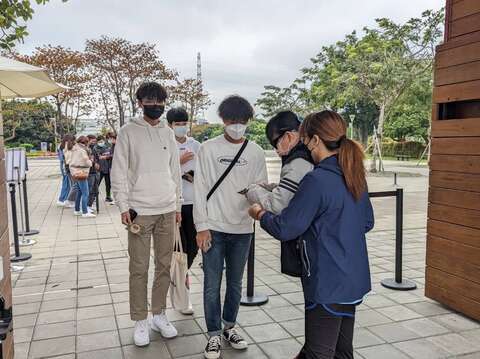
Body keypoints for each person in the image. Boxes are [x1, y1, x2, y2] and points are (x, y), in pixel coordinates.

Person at [249, 110, 374, 359]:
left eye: (305, 140)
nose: (305, 146)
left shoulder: (316, 180)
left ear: (315, 140)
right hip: (353, 278)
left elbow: (286, 227)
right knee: (341, 351)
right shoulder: (353, 174)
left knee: (318, 353)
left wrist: (260, 214)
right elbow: (366, 222)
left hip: (327, 280)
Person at [193, 95, 268, 359]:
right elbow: (200, 189)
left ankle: (229, 327)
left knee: (235, 283)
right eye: (232, 120)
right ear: (223, 120)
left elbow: (260, 188)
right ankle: (213, 335)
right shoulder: (208, 149)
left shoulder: (256, 151)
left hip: (243, 228)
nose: (237, 125)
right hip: (213, 227)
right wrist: (201, 227)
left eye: (242, 121)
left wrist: (259, 200)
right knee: (212, 284)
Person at [111, 81, 182, 347]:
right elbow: (118, 170)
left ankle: (159, 315)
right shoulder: (128, 131)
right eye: (150, 101)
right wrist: (122, 205)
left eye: (160, 101)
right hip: (139, 211)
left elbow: (174, 170)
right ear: (140, 103)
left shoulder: (167, 132)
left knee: (164, 266)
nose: (156, 106)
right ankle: (140, 320)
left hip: (166, 209)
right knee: (138, 268)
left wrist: (177, 205)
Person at [167, 107, 201, 315]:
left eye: (184, 123)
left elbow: (205, 173)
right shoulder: (165, 146)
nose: (181, 127)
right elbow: (160, 174)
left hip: (195, 203)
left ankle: (178, 280)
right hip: (174, 205)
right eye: (177, 124)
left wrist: (193, 176)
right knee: (179, 250)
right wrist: (178, 165)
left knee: (193, 248)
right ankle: (182, 296)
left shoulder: (196, 145)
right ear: (170, 125)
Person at [245, 111, 314, 214]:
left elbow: (277, 205)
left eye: (275, 142)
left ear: (289, 136)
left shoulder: (298, 162)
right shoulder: (307, 154)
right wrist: (275, 187)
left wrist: (252, 191)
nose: (276, 149)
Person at [70, 136, 96, 218]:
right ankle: (85, 212)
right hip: (81, 172)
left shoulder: (75, 148)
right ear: (85, 142)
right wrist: (91, 161)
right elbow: (86, 162)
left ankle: (77, 210)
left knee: (79, 192)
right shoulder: (82, 150)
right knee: (85, 193)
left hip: (75, 172)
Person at [57, 134, 74, 206]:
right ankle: (62, 199)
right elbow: (62, 158)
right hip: (65, 166)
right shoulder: (64, 146)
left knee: (67, 183)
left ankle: (64, 199)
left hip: (64, 166)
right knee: (66, 184)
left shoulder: (61, 146)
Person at [98, 132, 115, 204]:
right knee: (97, 182)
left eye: (109, 138)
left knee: (108, 184)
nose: (109, 140)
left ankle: (108, 196)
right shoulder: (97, 147)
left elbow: (114, 154)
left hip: (108, 167)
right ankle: (94, 196)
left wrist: (106, 156)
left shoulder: (113, 145)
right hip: (101, 168)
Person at [87, 134, 99, 213]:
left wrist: (97, 163)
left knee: (95, 190)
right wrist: (94, 162)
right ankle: (87, 205)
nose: (94, 142)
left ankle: (90, 204)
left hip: (95, 171)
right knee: (90, 189)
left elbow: (96, 157)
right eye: (93, 141)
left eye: (95, 141)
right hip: (89, 172)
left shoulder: (93, 148)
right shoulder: (86, 149)